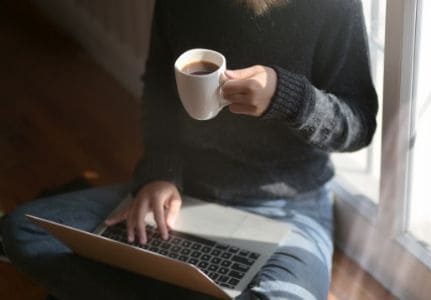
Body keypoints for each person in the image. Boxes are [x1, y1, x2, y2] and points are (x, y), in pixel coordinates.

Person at [1, 0, 378, 299]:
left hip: (288, 207)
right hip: (186, 194)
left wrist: (289, 97)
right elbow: (161, 92)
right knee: (23, 231)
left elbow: (359, 125)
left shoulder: (333, 6)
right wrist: (161, 173)